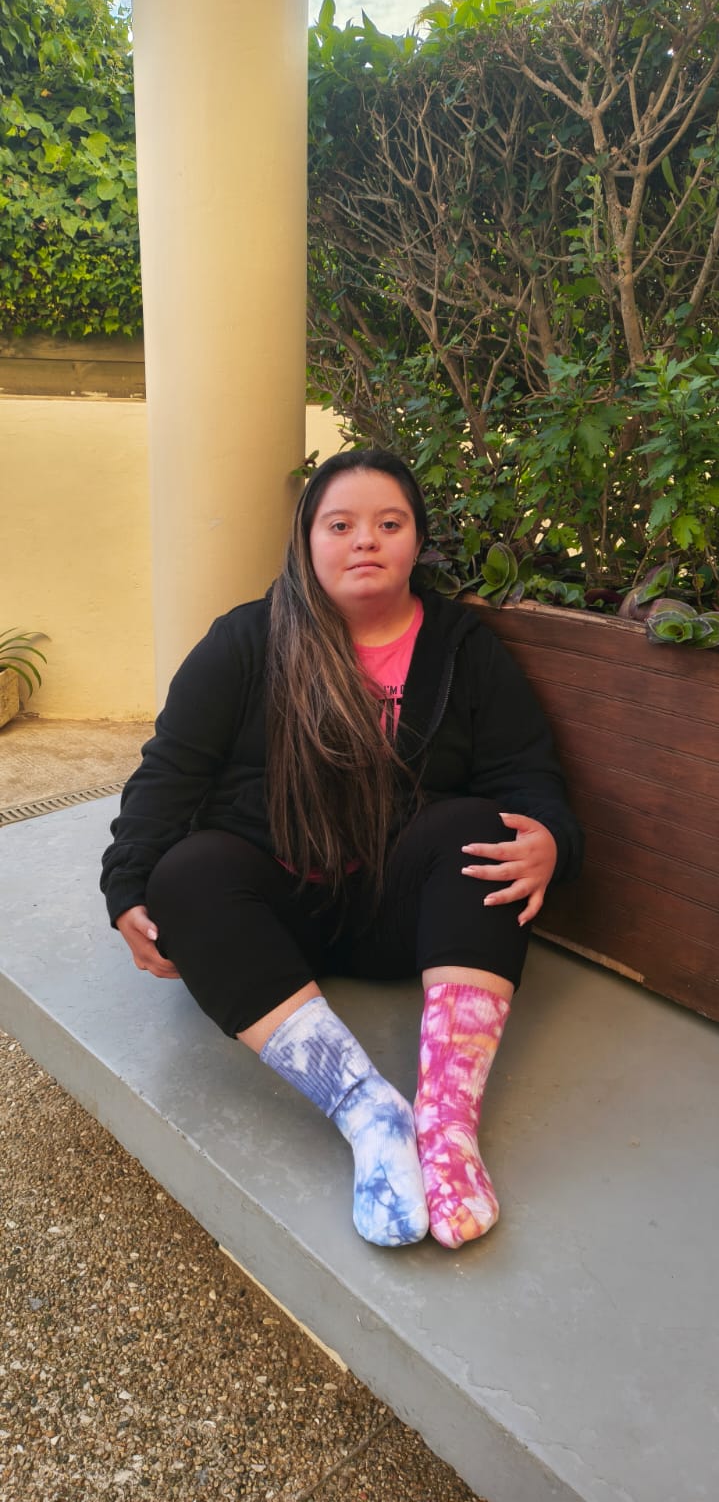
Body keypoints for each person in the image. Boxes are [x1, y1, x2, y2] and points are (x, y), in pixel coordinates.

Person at [101, 449, 582, 1251]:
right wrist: (125, 887)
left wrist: (551, 841)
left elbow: (525, 773)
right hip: (279, 912)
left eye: (389, 523)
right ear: (306, 540)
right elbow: (171, 772)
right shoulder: (246, 640)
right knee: (184, 873)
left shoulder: (462, 647)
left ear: (416, 541)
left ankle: (445, 1123)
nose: (365, 540)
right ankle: (369, 1112)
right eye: (340, 525)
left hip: (403, 914)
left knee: (484, 827)